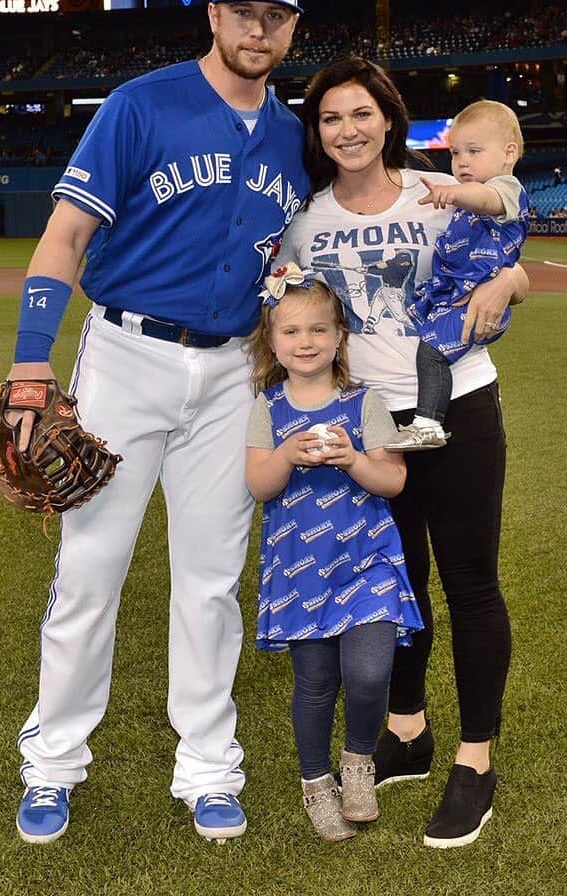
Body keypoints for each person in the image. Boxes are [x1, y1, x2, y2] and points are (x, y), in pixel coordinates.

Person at [5, 0, 309, 845]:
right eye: (244, 11)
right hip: (127, 358)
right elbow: (63, 238)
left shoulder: (293, 138)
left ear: (293, 30)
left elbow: (292, 255)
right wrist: (31, 368)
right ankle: (53, 763)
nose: (259, 29)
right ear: (213, 16)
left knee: (212, 583)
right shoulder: (140, 105)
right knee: (91, 573)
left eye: (276, 16)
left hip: (232, 374)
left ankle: (209, 767)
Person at [278, 56, 529, 848]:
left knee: (470, 583)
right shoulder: (306, 220)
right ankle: (409, 731)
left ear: (389, 119)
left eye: (362, 114)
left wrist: (513, 280)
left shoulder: (436, 191)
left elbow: (504, 251)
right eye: (330, 119)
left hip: (457, 405)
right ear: (317, 134)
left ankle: (475, 761)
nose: (348, 130)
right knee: (398, 584)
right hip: (370, 424)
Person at [245, 268, 423, 840]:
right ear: (271, 341)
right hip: (300, 566)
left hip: (365, 559)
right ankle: (317, 783)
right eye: (291, 331)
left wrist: (353, 461)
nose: (306, 342)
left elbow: (393, 481)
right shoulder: (267, 409)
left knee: (370, 674)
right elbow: (259, 486)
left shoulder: (365, 404)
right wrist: (286, 456)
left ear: (340, 335)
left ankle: (358, 762)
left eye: (319, 329)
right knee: (316, 683)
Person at [388, 101, 529, 450]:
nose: (462, 161)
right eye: (455, 152)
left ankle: (428, 423)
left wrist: (452, 193)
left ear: (509, 152)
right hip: (452, 292)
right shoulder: (467, 193)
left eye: (474, 151)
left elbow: (485, 198)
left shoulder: (506, 189)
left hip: (470, 300)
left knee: (432, 352)